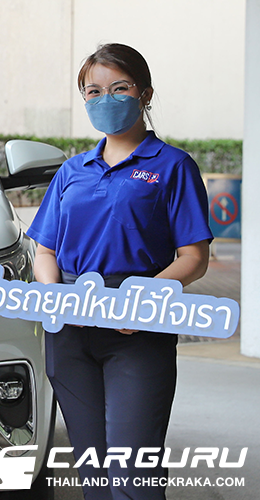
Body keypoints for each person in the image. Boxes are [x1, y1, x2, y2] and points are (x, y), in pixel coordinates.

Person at [27, 43, 212, 500]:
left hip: (137, 328)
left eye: (119, 88)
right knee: (93, 473)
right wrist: (54, 297)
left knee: (133, 475)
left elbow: (193, 256)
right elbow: (45, 249)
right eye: (93, 91)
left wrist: (143, 297)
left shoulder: (173, 167)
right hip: (69, 330)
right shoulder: (72, 171)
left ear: (144, 94)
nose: (104, 99)